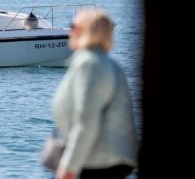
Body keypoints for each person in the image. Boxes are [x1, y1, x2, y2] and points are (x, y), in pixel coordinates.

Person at [52, 9, 138, 179]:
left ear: (85, 30)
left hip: (98, 163)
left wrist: (68, 167)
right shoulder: (106, 63)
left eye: (72, 26)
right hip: (106, 160)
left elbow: (86, 122)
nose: (69, 31)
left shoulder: (90, 64)